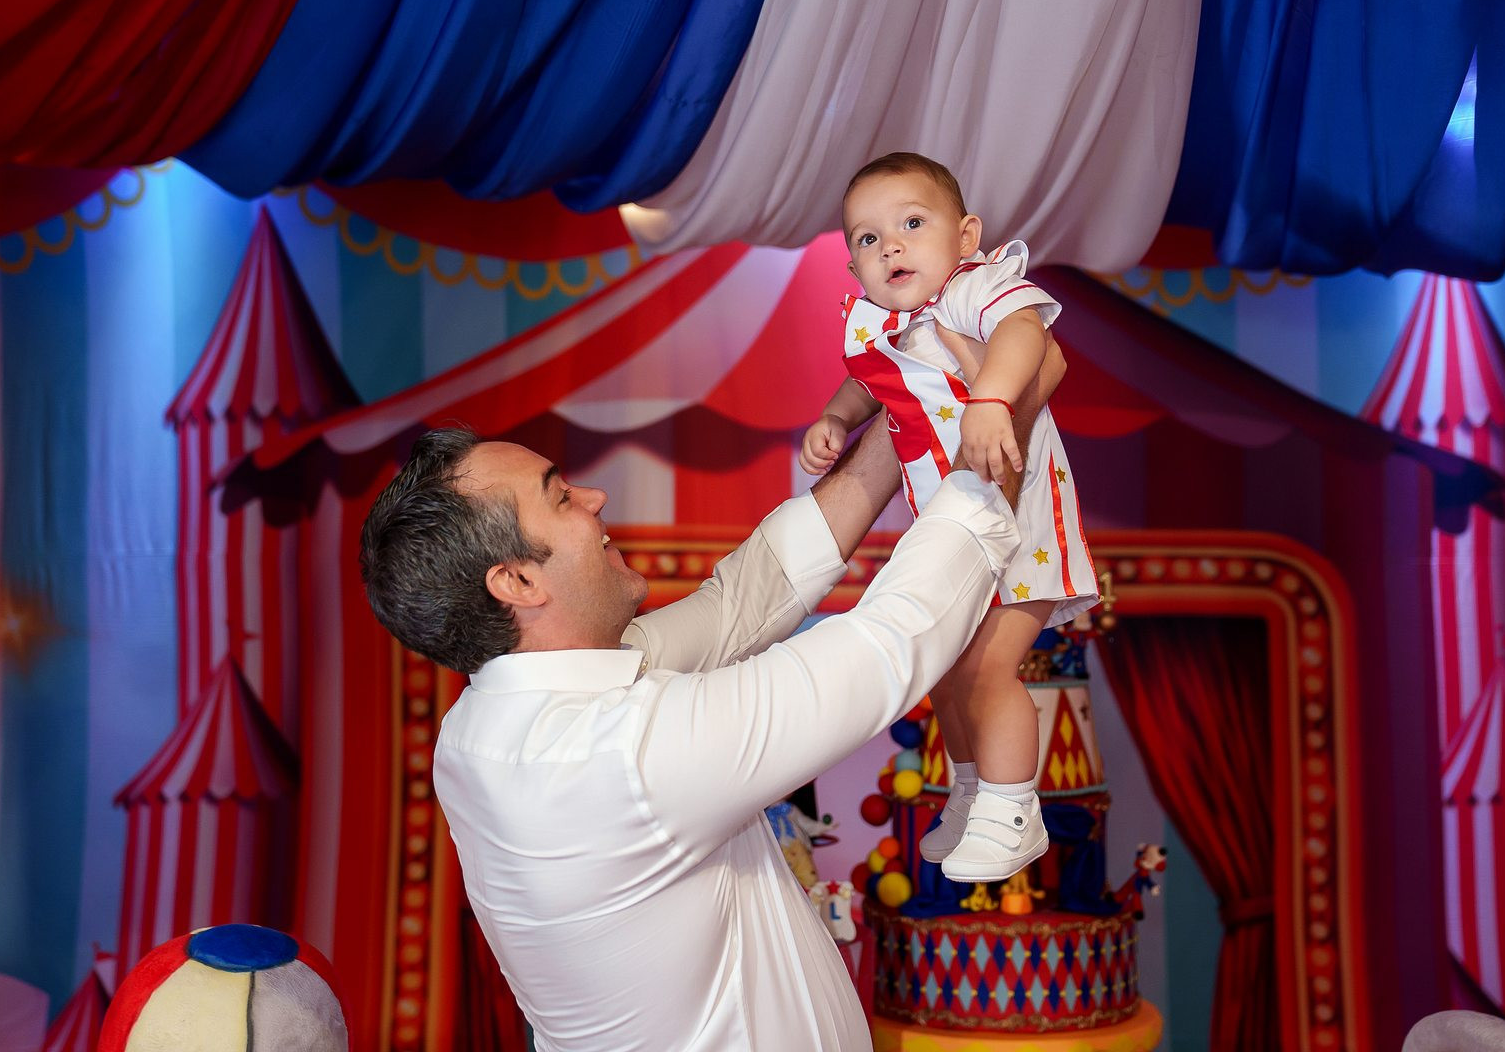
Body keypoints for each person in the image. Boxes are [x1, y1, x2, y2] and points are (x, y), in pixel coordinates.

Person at [356, 346, 1062, 1051]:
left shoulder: (487, 724)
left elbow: (744, 601)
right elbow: (891, 642)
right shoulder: (616, 759)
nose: (594, 499)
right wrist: (1003, 420)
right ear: (516, 582)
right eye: (561, 497)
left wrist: (914, 403)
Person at [800, 151, 1101, 882]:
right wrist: (835, 418)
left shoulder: (969, 290)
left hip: (1020, 521)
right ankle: (970, 788)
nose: (891, 247)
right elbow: (867, 384)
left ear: (965, 237)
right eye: (868, 238)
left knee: (991, 666)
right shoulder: (881, 324)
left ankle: (1012, 807)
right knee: (945, 669)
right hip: (954, 527)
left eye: (912, 223)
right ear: (853, 265)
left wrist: (991, 397)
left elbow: (1026, 335)